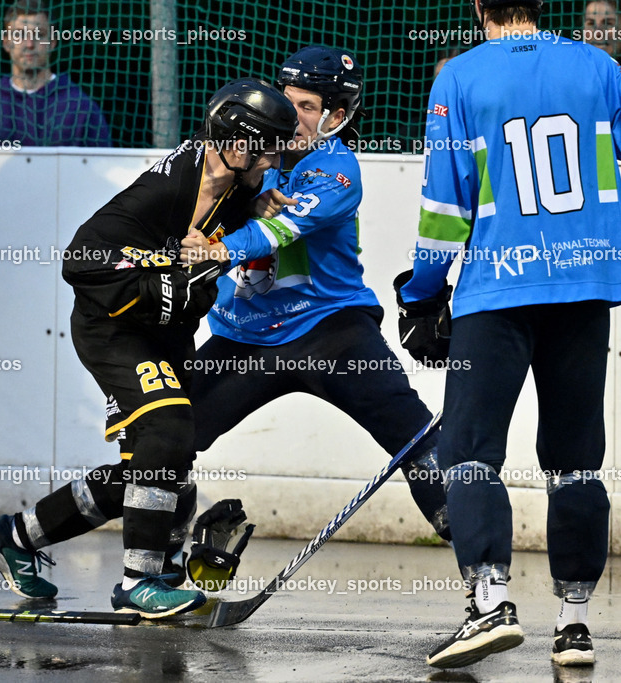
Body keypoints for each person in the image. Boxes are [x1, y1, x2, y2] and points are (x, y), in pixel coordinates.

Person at [396, 0, 621, 669]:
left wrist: (420, 293)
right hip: (586, 288)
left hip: (496, 291)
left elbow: (444, 207)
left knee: (469, 453)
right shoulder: (594, 64)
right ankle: (576, 625)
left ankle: (491, 601)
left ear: (478, 6)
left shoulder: (461, 77)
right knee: (576, 459)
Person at [0, 78, 297, 618]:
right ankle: (138, 582)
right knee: (167, 429)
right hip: (113, 328)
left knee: (155, 465)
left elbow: (208, 256)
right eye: (268, 150)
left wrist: (242, 222)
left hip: (163, 330)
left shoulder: (237, 186)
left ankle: (16, 537)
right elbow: (78, 259)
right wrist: (170, 269)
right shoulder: (169, 189)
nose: (275, 163)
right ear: (237, 145)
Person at [178, 46, 450, 547]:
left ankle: (483, 586)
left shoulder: (338, 169)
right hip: (245, 339)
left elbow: (278, 229)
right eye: (288, 101)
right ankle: (162, 560)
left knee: (419, 442)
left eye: (306, 107)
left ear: (336, 117)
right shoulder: (250, 150)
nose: (290, 115)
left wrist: (212, 251)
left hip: (331, 330)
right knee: (165, 440)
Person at [0, 0, 111, 147]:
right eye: (19, 35)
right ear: (6, 43)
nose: (30, 44)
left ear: (52, 42)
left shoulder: (82, 109)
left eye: (39, 35)